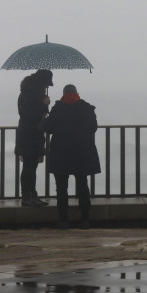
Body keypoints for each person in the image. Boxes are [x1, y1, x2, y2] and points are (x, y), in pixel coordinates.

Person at [42, 84, 101, 229]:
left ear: (63, 94)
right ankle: (85, 219)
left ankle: (63, 220)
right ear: (76, 93)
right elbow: (93, 127)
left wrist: (45, 112)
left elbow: (48, 128)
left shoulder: (58, 108)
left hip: (61, 152)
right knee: (82, 185)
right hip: (82, 151)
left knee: (61, 188)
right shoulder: (87, 108)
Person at [15, 69, 53, 207]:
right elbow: (31, 116)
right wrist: (44, 104)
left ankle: (32, 195)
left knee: (31, 167)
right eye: (46, 85)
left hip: (32, 135)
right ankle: (27, 197)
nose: (47, 87)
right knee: (28, 167)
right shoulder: (27, 95)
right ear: (40, 83)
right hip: (28, 135)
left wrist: (44, 106)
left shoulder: (30, 94)